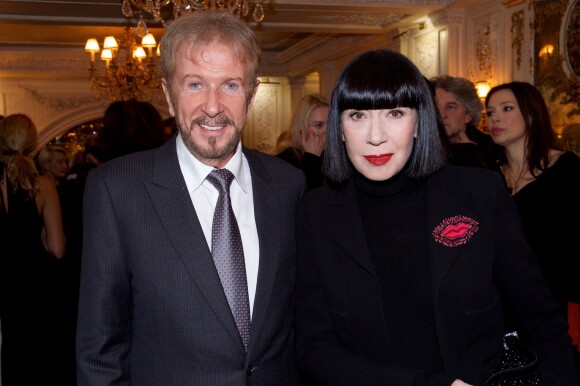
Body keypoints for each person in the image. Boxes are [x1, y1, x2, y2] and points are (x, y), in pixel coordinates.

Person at [293, 49, 578, 385]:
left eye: (395, 113)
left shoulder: (477, 194)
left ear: (419, 122)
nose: (375, 135)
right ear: (339, 128)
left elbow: (542, 320)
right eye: (357, 116)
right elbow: (314, 349)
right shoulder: (316, 213)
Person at [76, 10, 306, 386]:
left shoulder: (288, 185)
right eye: (195, 84)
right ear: (168, 94)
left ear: (252, 94)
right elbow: (100, 355)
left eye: (230, 85)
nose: (213, 107)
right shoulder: (117, 190)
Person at [485, 81, 580, 361]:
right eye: (490, 113)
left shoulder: (567, 170)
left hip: (549, 302)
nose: (495, 119)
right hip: (496, 305)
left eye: (506, 109)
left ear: (530, 113)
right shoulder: (485, 175)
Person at [0, 114, 66, 385]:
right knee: (32, 360)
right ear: (33, 142)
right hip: (31, 283)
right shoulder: (44, 186)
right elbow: (58, 248)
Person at [430, 75, 497, 169]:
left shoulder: (489, 148)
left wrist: (472, 153)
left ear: (468, 115)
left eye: (450, 107)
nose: (441, 115)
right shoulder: (421, 147)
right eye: (436, 108)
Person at [276, 93, 329, 190]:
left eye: (330, 124)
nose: (327, 131)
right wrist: (312, 159)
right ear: (302, 128)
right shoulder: (285, 161)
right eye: (318, 125)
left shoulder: (335, 156)